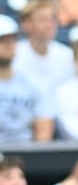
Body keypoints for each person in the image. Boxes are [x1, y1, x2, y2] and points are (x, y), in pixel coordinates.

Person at [0, 14, 54, 143]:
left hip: (27, 155)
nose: (9, 45)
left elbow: (44, 132)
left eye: (12, 40)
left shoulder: (32, 83)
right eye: (2, 40)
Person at [12, 0, 75, 96]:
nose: (50, 25)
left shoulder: (67, 56)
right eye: (43, 20)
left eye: (53, 19)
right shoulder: (13, 55)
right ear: (26, 24)